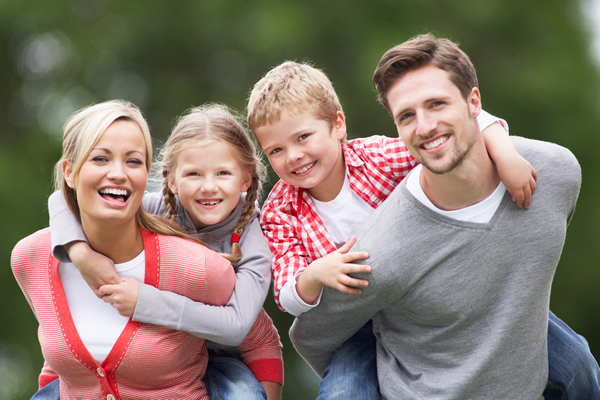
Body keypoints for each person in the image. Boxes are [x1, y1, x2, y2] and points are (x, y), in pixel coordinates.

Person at [288, 34, 600, 399]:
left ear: (474, 102)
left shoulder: (555, 175)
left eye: (436, 104)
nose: (424, 127)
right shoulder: (378, 252)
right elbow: (313, 335)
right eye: (406, 116)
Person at [246, 60, 537, 398]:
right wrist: (314, 274)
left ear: (337, 125)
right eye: (276, 150)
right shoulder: (279, 212)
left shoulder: (377, 158)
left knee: (574, 363)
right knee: (343, 392)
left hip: (434, 293)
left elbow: (459, 130)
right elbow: (285, 295)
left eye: (303, 137)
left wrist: (504, 153)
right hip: (360, 326)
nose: (293, 156)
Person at [44, 104, 283, 399]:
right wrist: (80, 253)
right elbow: (65, 200)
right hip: (163, 349)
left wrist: (146, 302)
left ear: (246, 179)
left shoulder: (255, 237)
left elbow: (237, 328)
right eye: (193, 174)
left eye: (223, 173)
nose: (209, 187)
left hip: (227, 354)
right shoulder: (155, 209)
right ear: (171, 179)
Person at [12, 100, 236, 399]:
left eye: (133, 161)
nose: (118, 173)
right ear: (69, 171)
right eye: (101, 159)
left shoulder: (198, 267)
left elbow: (258, 341)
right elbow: (56, 359)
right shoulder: (31, 257)